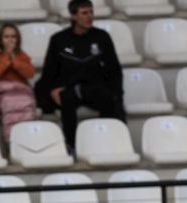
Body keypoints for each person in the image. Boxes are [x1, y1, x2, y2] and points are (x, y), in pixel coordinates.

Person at [35, 0, 124, 156]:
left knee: (110, 99)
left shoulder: (102, 37)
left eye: (91, 12)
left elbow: (114, 69)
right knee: (67, 98)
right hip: (69, 88)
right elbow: (49, 70)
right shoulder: (59, 40)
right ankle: (71, 145)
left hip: (95, 87)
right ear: (73, 16)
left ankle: (109, 143)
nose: (89, 16)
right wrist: (51, 90)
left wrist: (116, 92)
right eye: (84, 13)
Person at [0, 23, 37, 143]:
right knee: (9, 103)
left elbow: (29, 73)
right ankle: (11, 141)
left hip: (21, 91)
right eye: (6, 37)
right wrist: (7, 58)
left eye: (13, 37)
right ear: (0, 40)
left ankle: (27, 140)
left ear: (18, 39)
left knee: (25, 103)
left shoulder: (22, 56)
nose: (10, 40)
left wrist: (15, 60)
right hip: (2, 92)